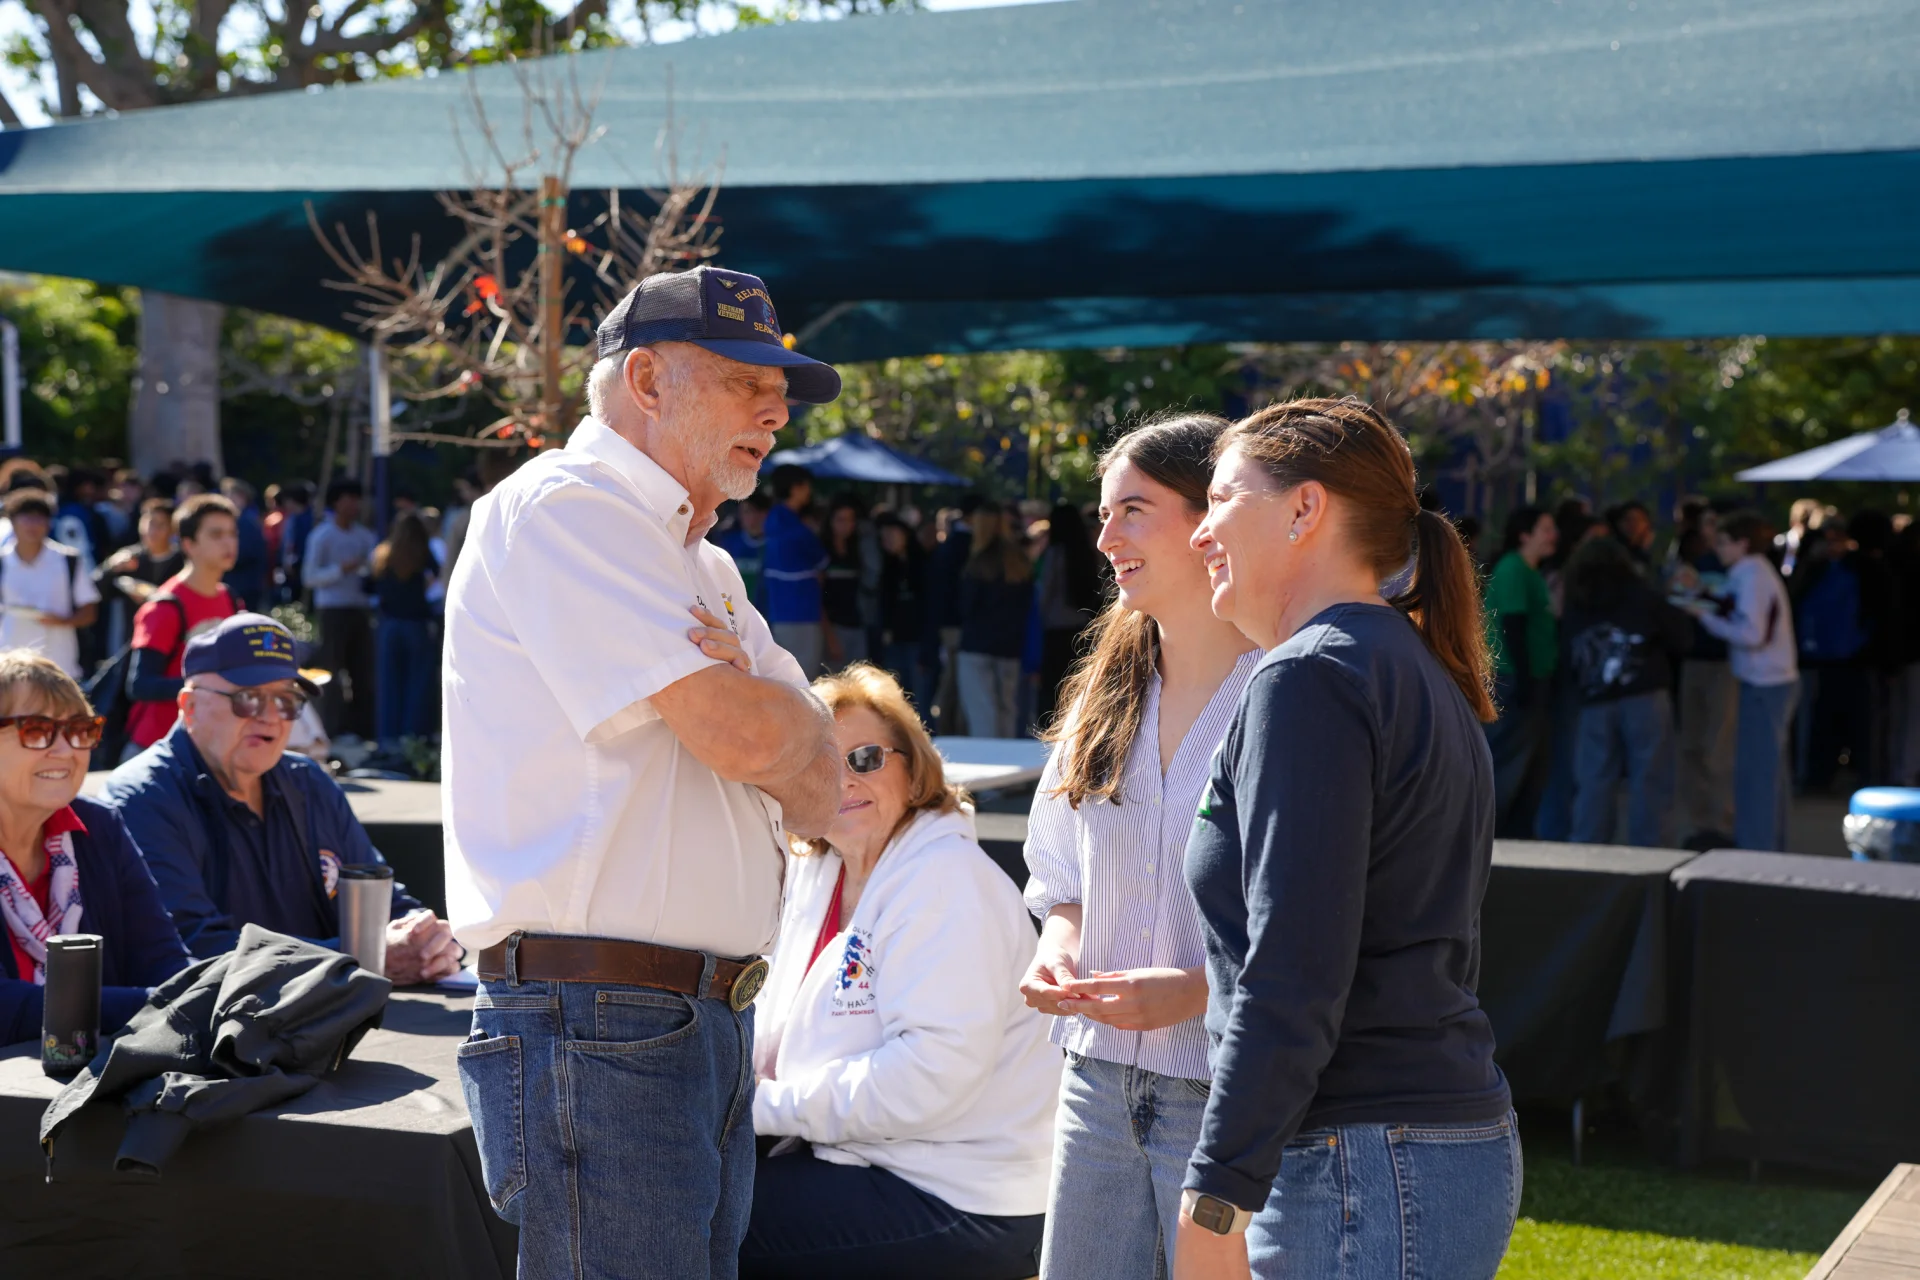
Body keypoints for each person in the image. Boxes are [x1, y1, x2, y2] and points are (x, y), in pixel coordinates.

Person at [442, 265, 845, 1280]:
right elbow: (758, 744)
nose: (776, 405)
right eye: (747, 375)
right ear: (648, 379)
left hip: (674, 1023)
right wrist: (771, 707)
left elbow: (826, 785)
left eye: (780, 384)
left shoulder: (702, 564)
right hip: (600, 1020)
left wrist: (768, 715)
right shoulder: (565, 506)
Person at [1177, 398, 1516, 1280]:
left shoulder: (1311, 676)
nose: (1201, 530)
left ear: (1304, 509)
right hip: (1405, 1149)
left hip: (1363, 1161)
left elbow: (1294, 965)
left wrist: (1217, 1196)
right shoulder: (1397, 662)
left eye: (1221, 499)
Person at [1017, 415, 1261, 1280]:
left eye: (1132, 511)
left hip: (1231, 1099)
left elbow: (1326, 921)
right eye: (1105, 512)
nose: (1104, 535)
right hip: (1095, 1088)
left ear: (1211, 524)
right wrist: (1060, 951)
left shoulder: (1284, 692)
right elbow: (1057, 878)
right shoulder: (1101, 695)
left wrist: (1196, 993)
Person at [742, 663, 1056, 1279]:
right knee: (668, 1188)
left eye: (864, 758)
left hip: (966, 1196)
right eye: (817, 763)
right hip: (863, 1162)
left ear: (913, 770)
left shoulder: (946, 884)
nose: (841, 780)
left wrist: (761, 1108)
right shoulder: (819, 873)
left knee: (698, 1220)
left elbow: (928, 1077)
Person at [103, 613, 458, 979]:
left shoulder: (308, 783)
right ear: (190, 706)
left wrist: (425, 939)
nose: (271, 717)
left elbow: (382, 902)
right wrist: (361, 957)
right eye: (248, 699)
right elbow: (194, 950)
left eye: (287, 700)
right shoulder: (144, 797)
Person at [0, 651, 190, 1047]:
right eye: (37, 730)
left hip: (93, 1094)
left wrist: (210, 993)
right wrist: (162, 1005)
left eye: (80, 730)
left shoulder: (98, 827)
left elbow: (163, 959)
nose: (67, 750)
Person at [1561, 537, 1695, 847]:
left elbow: (1568, 653)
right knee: (1651, 778)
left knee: (1594, 779)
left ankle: (1586, 852)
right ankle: (1650, 854)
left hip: (1594, 698)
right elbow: (1683, 637)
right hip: (1646, 695)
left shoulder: (1575, 602)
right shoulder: (1643, 596)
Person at [1689, 511, 1800, 852]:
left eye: (1724, 542)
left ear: (1742, 544)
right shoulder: (1750, 573)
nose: (1718, 548)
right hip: (1770, 680)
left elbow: (1750, 633)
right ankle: (1766, 844)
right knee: (1767, 772)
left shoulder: (1753, 575)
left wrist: (1704, 616)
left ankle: (1758, 848)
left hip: (1766, 682)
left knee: (1758, 773)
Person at [123, 494, 241, 755]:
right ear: (189, 544)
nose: (229, 543)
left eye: (232, 533)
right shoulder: (165, 606)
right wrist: (211, 684)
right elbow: (140, 685)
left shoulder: (231, 599)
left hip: (212, 744)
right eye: (216, 534)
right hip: (158, 749)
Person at [1482, 505, 1557, 837]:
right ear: (1524, 535)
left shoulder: (1530, 570)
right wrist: (1525, 678)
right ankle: (1491, 838)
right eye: (1545, 528)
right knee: (1508, 762)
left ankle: (1517, 837)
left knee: (1530, 767)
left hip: (1529, 677)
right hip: (1514, 678)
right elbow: (1512, 624)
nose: (1553, 535)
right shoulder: (1513, 569)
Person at [304, 478, 380, 741]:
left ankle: (362, 730)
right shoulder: (322, 536)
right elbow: (309, 576)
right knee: (331, 671)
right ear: (336, 502)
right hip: (332, 610)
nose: (355, 505)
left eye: (357, 499)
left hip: (359, 608)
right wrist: (340, 570)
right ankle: (331, 728)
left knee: (363, 671)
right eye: (349, 498)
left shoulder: (365, 536)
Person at [0, 489, 100, 680]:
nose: (33, 525)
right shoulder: (2, 561)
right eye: (27, 518)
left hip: (59, 665)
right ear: (12, 522)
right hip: (8, 667)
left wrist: (62, 621)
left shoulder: (68, 559)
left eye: (39, 518)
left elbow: (89, 612)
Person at [957, 501, 1034, 738]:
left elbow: (966, 608)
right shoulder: (1019, 560)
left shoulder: (978, 562)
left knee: (983, 715)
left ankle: (990, 768)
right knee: (1006, 712)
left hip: (978, 645)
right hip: (1009, 646)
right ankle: (1009, 769)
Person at [370, 510, 441, 751]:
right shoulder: (423, 553)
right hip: (416, 624)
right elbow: (438, 576)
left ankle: (388, 739)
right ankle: (414, 739)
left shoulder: (384, 554)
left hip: (389, 625)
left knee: (389, 685)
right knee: (418, 685)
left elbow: (369, 584)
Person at [1033, 502, 1103, 728]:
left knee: (1053, 691)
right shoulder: (1089, 553)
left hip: (1055, 631)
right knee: (1077, 689)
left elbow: (1046, 594)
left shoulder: (1054, 554)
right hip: (1082, 628)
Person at [765, 464, 833, 678]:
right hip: (802, 613)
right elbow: (822, 559)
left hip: (777, 612)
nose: (809, 492)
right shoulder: (797, 529)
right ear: (795, 488)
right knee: (804, 681)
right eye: (806, 487)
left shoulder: (772, 520)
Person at [96, 498, 184, 654]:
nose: (153, 531)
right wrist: (110, 567)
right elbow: (95, 591)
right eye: (149, 523)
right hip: (133, 637)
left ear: (172, 529)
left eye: (160, 525)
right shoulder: (129, 558)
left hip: (172, 636)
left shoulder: (182, 561)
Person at [875, 512, 934, 719]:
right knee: (896, 703)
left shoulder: (924, 565)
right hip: (895, 642)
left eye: (892, 535)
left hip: (919, 641)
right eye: (884, 537)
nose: (888, 541)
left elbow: (931, 607)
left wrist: (929, 646)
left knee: (921, 703)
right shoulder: (889, 568)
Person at [822, 497, 869, 669]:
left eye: (850, 520)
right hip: (833, 629)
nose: (846, 525)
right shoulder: (822, 551)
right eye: (840, 520)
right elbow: (818, 598)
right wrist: (830, 637)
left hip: (857, 625)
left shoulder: (857, 550)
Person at [714, 491, 773, 612]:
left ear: (763, 514)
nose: (744, 517)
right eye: (742, 512)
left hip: (769, 614)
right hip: (734, 613)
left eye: (748, 511)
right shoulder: (728, 543)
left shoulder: (774, 546)